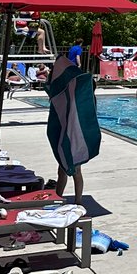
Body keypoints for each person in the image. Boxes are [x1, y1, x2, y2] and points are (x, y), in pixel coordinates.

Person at [46, 45, 101, 202]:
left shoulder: (86, 102)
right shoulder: (82, 101)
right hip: (72, 136)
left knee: (70, 170)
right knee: (66, 170)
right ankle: (64, 198)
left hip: (74, 137)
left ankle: (72, 200)